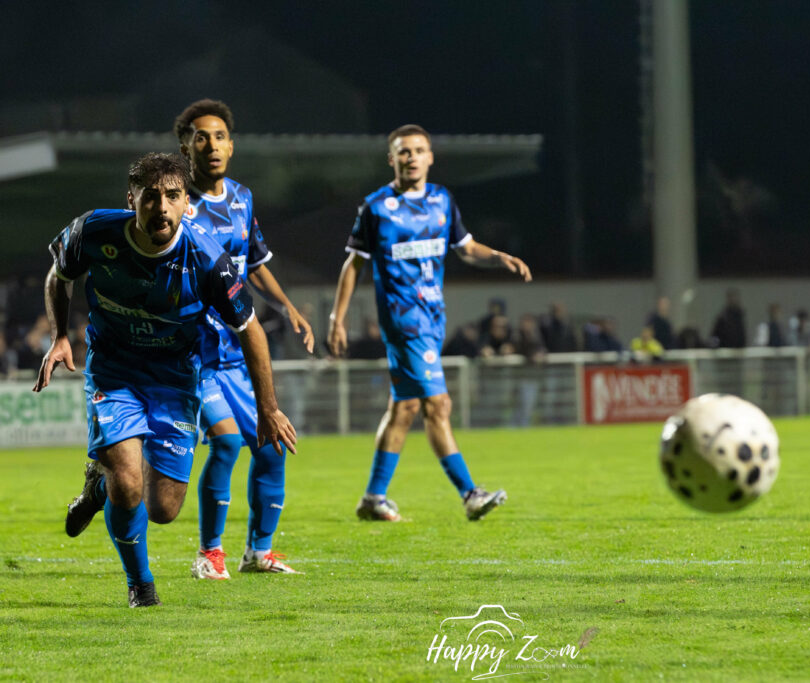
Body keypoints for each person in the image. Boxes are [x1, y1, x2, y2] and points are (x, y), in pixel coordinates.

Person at [37, 153, 296, 607]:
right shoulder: (93, 231)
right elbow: (59, 277)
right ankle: (140, 584)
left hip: (176, 383)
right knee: (129, 482)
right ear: (131, 199)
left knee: (163, 510)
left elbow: (251, 330)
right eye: (151, 196)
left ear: (185, 204)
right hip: (114, 373)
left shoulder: (208, 259)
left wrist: (268, 408)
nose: (161, 206)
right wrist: (60, 335)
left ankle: (99, 482)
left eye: (173, 196)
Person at [327, 124, 531, 522]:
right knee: (438, 405)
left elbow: (465, 247)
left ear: (430, 157)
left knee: (404, 409)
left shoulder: (441, 200)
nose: (412, 157)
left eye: (419, 150)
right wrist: (338, 316)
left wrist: (497, 257)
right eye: (404, 151)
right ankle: (470, 493)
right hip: (404, 322)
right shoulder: (375, 207)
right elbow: (355, 263)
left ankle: (373, 499)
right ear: (392, 159)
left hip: (433, 318)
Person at [172, 99, 313, 579]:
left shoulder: (241, 198)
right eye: (200, 137)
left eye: (219, 137)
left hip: (236, 352)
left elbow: (255, 261)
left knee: (272, 446)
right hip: (193, 354)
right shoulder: (173, 201)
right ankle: (209, 554)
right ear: (186, 146)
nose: (210, 145)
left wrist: (288, 306)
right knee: (227, 444)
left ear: (231, 147)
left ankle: (260, 551)